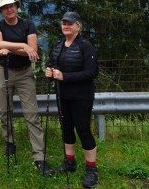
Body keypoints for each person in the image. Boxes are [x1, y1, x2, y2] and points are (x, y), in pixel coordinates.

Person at [0, 0, 52, 175]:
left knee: (32, 114)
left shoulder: (28, 24)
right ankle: (10, 142)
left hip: (25, 73)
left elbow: (33, 53)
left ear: (17, 7)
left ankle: (39, 156)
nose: (9, 10)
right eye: (5, 8)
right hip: (4, 71)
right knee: (5, 111)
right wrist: (23, 45)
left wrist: (9, 48)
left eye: (11, 6)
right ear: (1, 11)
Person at [45, 11, 99, 187]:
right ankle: (70, 162)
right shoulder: (59, 44)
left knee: (83, 130)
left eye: (70, 23)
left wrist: (65, 77)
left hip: (81, 96)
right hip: (62, 95)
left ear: (78, 26)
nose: (66, 26)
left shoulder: (86, 46)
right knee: (66, 129)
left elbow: (92, 73)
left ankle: (91, 170)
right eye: (63, 23)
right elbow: (52, 64)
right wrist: (50, 73)